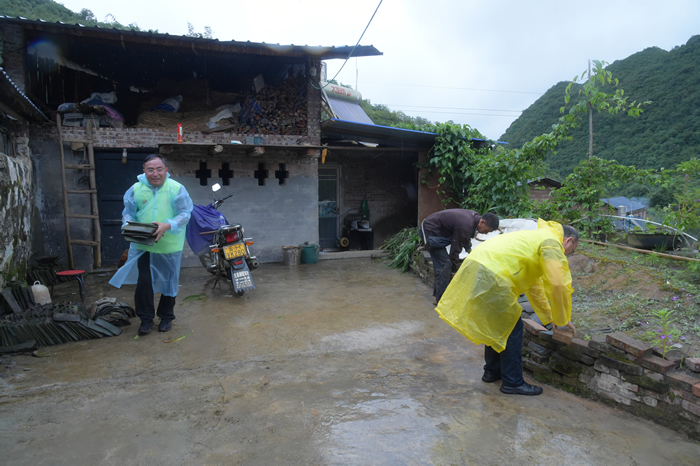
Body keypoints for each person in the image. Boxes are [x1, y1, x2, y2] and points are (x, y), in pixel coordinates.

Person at [435, 219, 578, 396]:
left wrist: (550, 318)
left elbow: (535, 289)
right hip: (492, 272)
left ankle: (492, 372)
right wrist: (562, 319)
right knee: (511, 327)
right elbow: (558, 284)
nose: (567, 255)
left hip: (477, 265)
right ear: (568, 241)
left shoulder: (537, 237)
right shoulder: (552, 242)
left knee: (496, 324)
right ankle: (513, 382)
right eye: (571, 251)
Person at [109, 154, 193, 335]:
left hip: (169, 246)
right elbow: (128, 212)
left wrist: (167, 225)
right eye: (151, 170)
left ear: (166, 170)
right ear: (144, 171)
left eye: (159, 169)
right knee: (144, 282)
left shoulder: (176, 189)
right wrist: (128, 224)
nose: (155, 174)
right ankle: (145, 319)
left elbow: (185, 214)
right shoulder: (136, 189)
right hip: (143, 245)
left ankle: (166, 317)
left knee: (169, 282)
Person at [420, 209, 499, 304]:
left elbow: (465, 236)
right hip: (429, 230)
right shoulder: (466, 225)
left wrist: (469, 250)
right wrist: (454, 271)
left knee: (445, 264)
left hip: (439, 231)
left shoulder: (474, 219)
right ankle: (440, 299)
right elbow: (455, 250)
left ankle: (438, 296)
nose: (486, 233)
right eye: (487, 230)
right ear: (482, 222)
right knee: (445, 265)